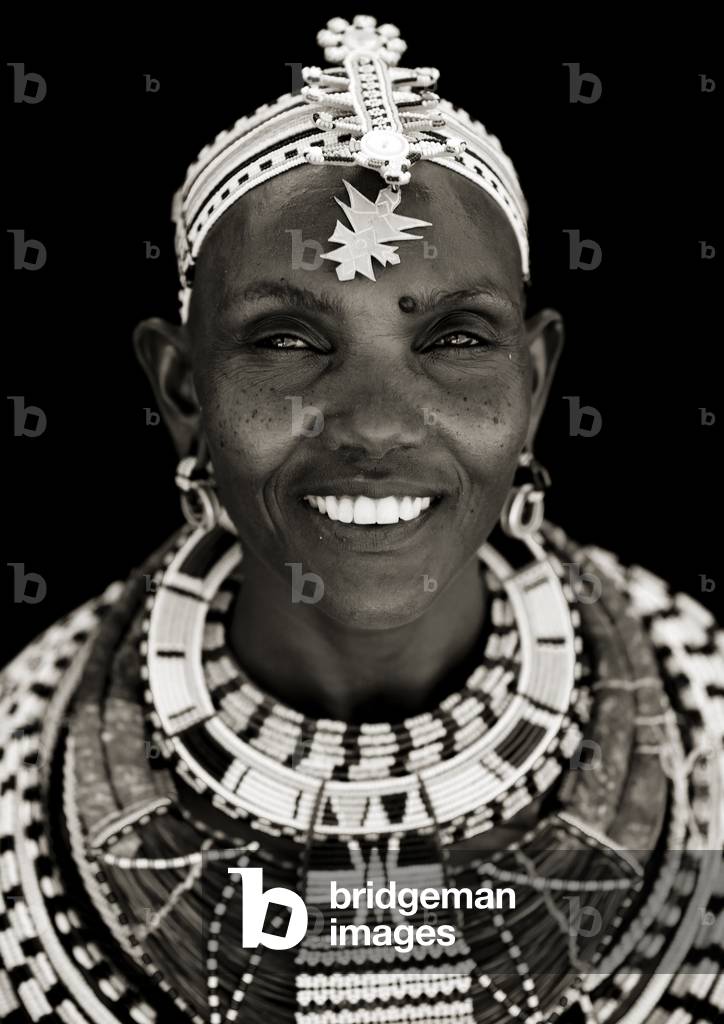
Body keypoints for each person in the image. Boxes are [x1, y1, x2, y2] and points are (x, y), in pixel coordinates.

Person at [1, 16, 722, 1024]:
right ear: (182, 388)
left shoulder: (706, 706)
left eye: (455, 336)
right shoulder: (17, 751)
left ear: (533, 378)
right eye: (288, 338)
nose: (376, 426)